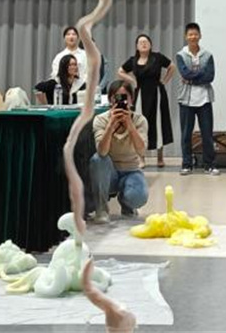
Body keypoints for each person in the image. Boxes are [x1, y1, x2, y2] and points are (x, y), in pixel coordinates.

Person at [89, 80, 149, 223]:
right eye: (116, 97)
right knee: (97, 159)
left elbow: (141, 151)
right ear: (110, 100)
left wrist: (130, 125)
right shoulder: (100, 119)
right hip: (109, 173)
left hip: (131, 170)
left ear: (131, 100)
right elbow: (102, 152)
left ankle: (127, 204)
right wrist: (110, 126)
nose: (121, 101)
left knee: (138, 197)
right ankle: (101, 209)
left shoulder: (140, 120)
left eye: (125, 97)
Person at [118, 34, 176, 168]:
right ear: (137, 46)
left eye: (146, 42)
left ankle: (160, 158)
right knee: (140, 124)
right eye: (140, 42)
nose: (143, 44)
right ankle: (141, 158)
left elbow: (172, 66)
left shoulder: (157, 57)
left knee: (159, 123)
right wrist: (132, 80)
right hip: (140, 95)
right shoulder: (133, 60)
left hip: (157, 94)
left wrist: (165, 80)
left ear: (150, 45)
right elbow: (120, 71)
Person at [175, 22, 219, 176]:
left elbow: (210, 76)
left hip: (204, 99)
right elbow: (184, 73)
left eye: (195, 34)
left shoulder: (208, 55)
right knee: (186, 134)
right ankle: (186, 164)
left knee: (207, 134)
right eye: (190, 34)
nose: (193, 37)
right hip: (186, 99)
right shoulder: (180, 55)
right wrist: (200, 73)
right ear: (186, 37)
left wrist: (191, 78)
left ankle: (209, 165)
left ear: (200, 36)